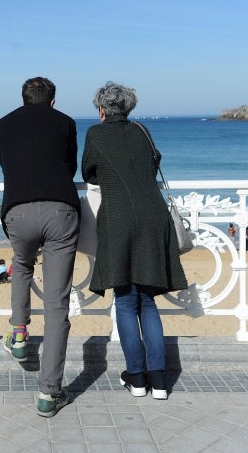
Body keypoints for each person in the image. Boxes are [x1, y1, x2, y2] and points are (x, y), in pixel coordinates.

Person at [81, 82, 188, 401]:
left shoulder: (95, 134)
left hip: (119, 218)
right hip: (154, 216)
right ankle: (159, 381)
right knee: (148, 300)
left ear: (101, 109)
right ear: (129, 108)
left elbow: (89, 173)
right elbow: (153, 163)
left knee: (126, 301)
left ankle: (137, 378)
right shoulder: (142, 131)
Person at [0, 76, 81, 418]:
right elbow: (70, 165)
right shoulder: (66, 123)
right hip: (60, 209)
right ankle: (48, 393)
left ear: (23, 98)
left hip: (17, 209)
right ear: (52, 101)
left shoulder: (3, 124)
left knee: (22, 265)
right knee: (58, 303)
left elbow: (5, 164)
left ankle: (18, 335)